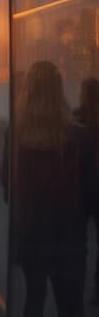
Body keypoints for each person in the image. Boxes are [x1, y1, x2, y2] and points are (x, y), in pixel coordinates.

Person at [3, 61, 89, 317]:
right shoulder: (79, 137)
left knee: (33, 300)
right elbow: (91, 191)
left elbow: (8, 188)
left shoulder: (15, 133)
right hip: (69, 238)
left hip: (31, 236)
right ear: (60, 90)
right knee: (71, 306)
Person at [74, 77, 99, 306]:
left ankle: (76, 289)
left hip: (79, 189)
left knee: (78, 241)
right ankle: (97, 289)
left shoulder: (75, 117)